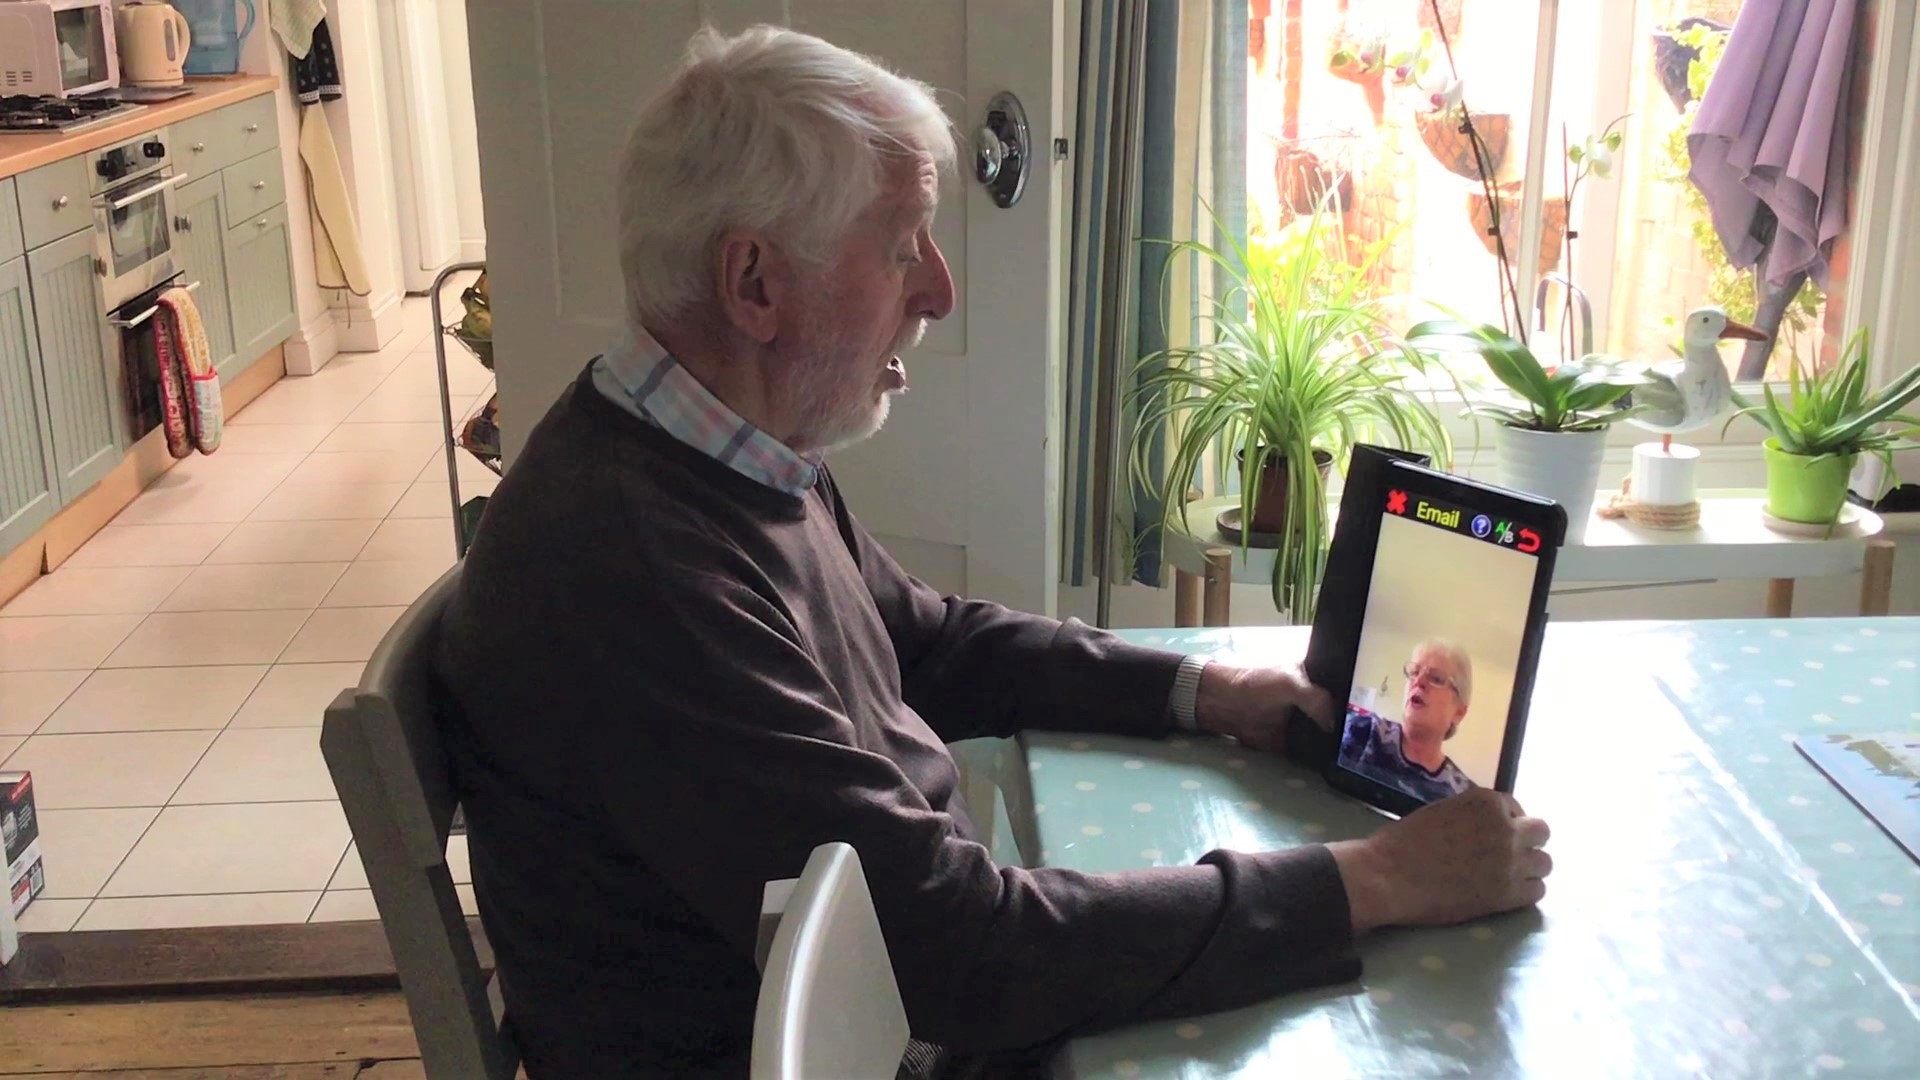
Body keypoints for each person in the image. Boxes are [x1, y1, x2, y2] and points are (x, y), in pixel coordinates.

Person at [433, 25, 1552, 1078]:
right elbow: (967, 957)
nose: (939, 286)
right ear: (755, 284)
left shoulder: (719, 449)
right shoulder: (639, 576)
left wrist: (1212, 693)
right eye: (901, 242)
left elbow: (923, 639)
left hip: (889, 1003)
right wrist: (1377, 881)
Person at [1340, 640, 1477, 803]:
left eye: (1437, 678)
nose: (1418, 682)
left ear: (1458, 712)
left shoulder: (1466, 799)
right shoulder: (1363, 731)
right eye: (1414, 671)